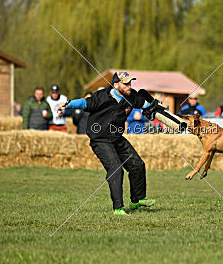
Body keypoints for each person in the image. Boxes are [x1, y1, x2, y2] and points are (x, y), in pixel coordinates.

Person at [59, 71, 156, 215]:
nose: (129, 85)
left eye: (130, 82)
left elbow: (145, 104)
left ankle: (137, 200)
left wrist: (154, 108)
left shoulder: (132, 96)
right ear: (116, 85)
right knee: (116, 169)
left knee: (137, 165)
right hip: (100, 139)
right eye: (126, 83)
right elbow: (86, 102)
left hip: (116, 137)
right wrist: (69, 104)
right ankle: (118, 208)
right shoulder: (102, 96)